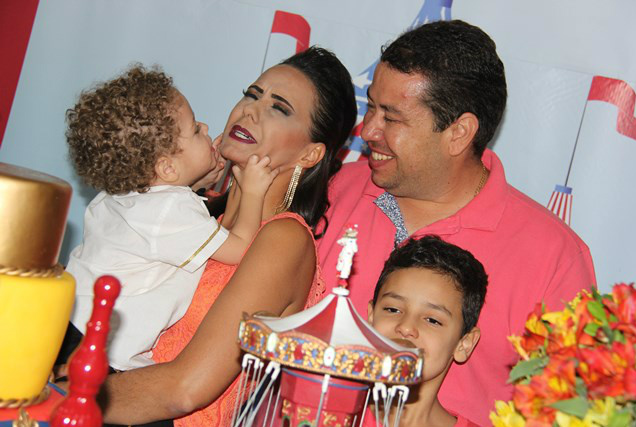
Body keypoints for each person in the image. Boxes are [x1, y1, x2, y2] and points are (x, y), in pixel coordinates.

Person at [317, 20, 596, 426]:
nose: (368, 130)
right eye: (371, 106)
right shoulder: (336, 187)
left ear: (459, 133)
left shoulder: (554, 258)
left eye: (392, 117)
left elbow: (573, 413)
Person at [92, 46, 357, 426]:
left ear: (310, 155)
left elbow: (186, 388)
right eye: (252, 94)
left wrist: (66, 396)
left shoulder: (284, 239)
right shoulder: (192, 213)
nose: (250, 111)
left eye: (278, 108)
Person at [64, 65, 278, 371]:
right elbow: (240, 249)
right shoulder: (172, 210)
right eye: (195, 130)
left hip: (68, 322)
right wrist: (253, 191)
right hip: (101, 352)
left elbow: (160, 219)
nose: (205, 126)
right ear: (167, 169)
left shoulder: (117, 197)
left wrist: (194, 183)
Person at [365, 235, 487, 427]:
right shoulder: (325, 410)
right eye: (393, 309)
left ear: (464, 344)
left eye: (432, 320)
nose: (406, 327)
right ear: (371, 318)